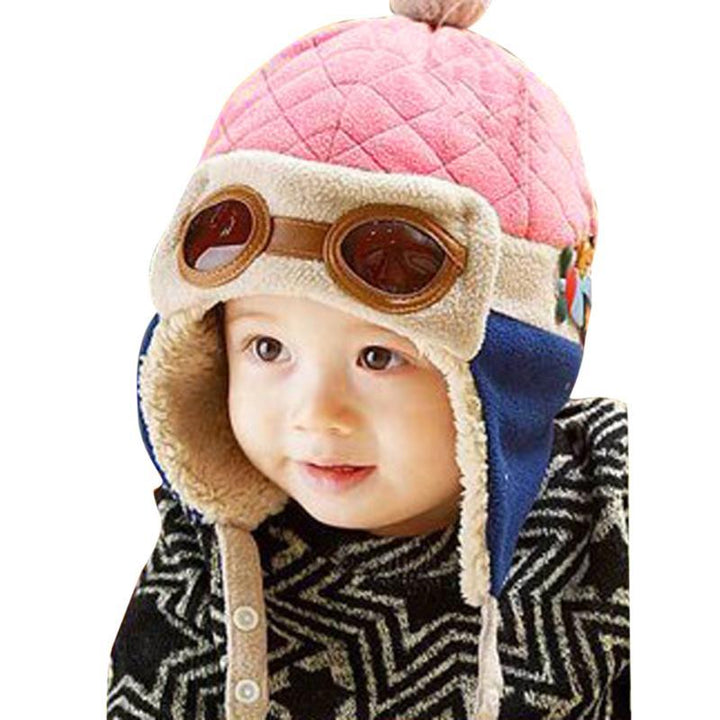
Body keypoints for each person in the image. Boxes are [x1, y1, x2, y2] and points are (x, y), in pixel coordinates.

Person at [106, 1, 630, 718]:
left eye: (379, 356)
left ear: (513, 382)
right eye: (267, 348)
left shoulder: (609, 516)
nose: (316, 414)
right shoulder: (207, 574)